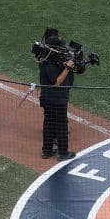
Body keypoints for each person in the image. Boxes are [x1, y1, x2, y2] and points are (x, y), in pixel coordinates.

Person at [38, 29, 77, 160]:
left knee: (48, 124)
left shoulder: (46, 59)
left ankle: (47, 151)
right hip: (56, 99)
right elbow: (56, 82)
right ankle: (63, 153)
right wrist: (67, 68)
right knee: (61, 125)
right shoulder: (48, 65)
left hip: (47, 99)